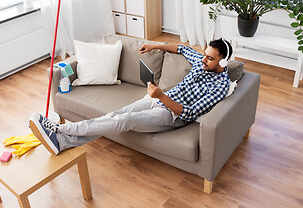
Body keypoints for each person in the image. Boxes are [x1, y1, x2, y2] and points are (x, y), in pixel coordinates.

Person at [29, 38, 232, 155]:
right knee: (116, 115)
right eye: (205, 54)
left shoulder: (220, 86)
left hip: (171, 115)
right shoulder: (201, 60)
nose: (204, 59)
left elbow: (187, 113)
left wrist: (160, 95)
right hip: (158, 99)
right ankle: (61, 143)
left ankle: (62, 129)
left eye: (210, 58)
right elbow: (181, 48)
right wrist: (154, 46)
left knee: (124, 120)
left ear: (223, 63)